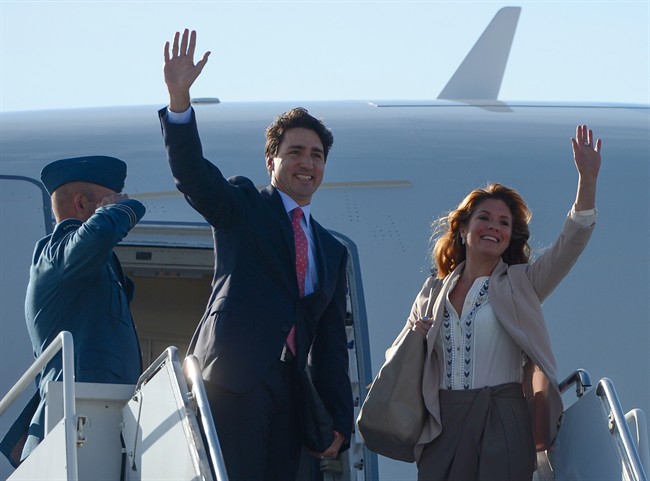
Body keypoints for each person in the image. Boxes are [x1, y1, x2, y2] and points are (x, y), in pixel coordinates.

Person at [158, 29, 353, 481]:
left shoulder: (332, 249)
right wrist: (179, 103)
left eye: (317, 155)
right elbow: (193, 176)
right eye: (296, 152)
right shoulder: (245, 204)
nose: (307, 162)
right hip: (233, 378)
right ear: (272, 161)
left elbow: (329, 344)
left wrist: (340, 419)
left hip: (294, 393)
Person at [406, 125, 602, 480]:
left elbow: (570, 244)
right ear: (463, 228)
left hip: (504, 416)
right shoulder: (431, 292)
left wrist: (586, 182)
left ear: (511, 235)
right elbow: (402, 356)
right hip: (444, 420)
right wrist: (415, 335)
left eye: (504, 222)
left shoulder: (522, 283)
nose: (493, 227)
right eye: (484, 218)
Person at [0, 155, 145, 467]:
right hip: (78, 427)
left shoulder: (91, 268)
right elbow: (97, 236)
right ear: (81, 204)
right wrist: (125, 210)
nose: (122, 201)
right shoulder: (56, 252)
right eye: (112, 198)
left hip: (98, 426)